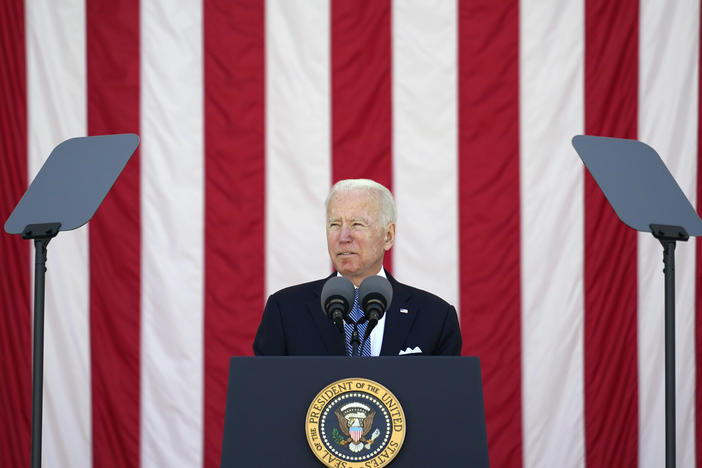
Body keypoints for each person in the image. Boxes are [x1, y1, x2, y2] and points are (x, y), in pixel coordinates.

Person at [253, 178, 461, 356]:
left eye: (357, 224)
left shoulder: (434, 317)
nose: (343, 237)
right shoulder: (286, 311)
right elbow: (263, 394)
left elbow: (448, 398)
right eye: (334, 224)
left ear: (388, 236)